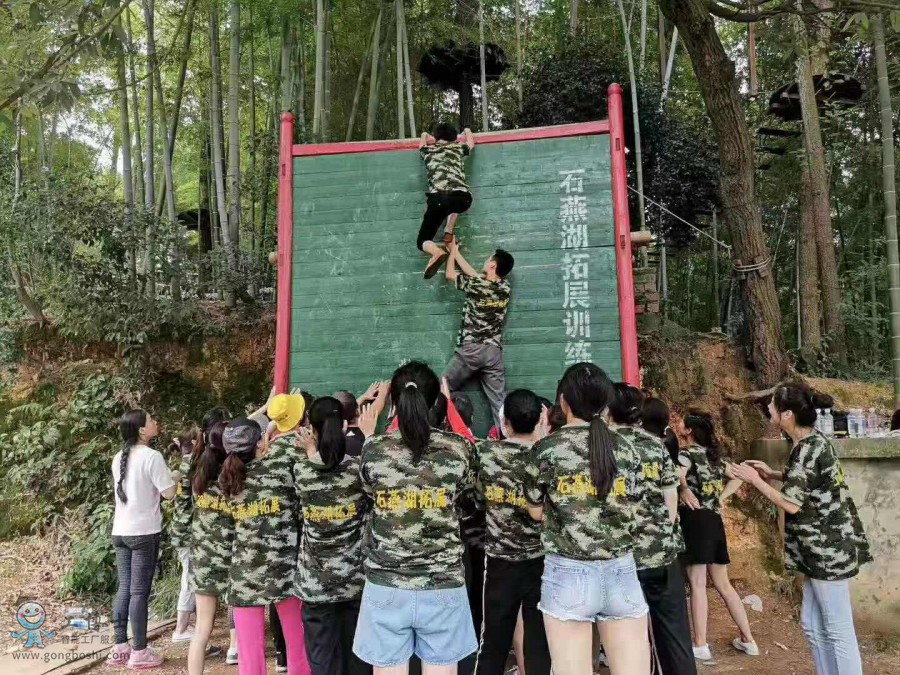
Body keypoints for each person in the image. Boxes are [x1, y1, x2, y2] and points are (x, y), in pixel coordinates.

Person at [731, 383, 872, 675]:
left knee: (837, 629)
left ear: (787, 414)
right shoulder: (810, 442)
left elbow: (791, 504)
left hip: (827, 551)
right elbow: (806, 480)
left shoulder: (809, 447)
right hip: (815, 550)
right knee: (812, 625)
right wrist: (772, 473)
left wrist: (754, 480)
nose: (768, 407)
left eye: (772, 404)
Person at [524, 363, 651, 675]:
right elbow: (636, 507)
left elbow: (535, 511)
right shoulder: (628, 449)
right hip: (621, 570)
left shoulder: (545, 449)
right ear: (606, 404)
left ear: (563, 401)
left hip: (568, 575)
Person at [354, 361, 479, 673]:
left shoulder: (374, 450)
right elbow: (468, 497)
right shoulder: (459, 449)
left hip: (387, 584)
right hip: (442, 585)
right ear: (436, 401)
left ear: (395, 403)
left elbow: (369, 494)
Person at [609, 386, 696, 675]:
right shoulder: (655, 445)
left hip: (622, 559)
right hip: (661, 555)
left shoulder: (603, 447)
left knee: (630, 639)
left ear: (608, 411)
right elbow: (671, 498)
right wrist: (660, 535)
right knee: (673, 635)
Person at [223, 405, 312, 675]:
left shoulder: (226, 479)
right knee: (298, 649)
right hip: (285, 571)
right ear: (262, 443)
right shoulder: (281, 467)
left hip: (244, 574)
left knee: (250, 658)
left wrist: (265, 430)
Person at [474, 389, 551, 675]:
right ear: (541, 420)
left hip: (500, 562)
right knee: (538, 640)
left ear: (505, 422)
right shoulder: (547, 456)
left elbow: (478, 499)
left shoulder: (485, 454)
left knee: (493, 641)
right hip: (540, 560)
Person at [293, 397, 372, 675]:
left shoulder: (301, 471)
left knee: (322, 661)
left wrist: (311, 450)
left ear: (312, 431)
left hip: (316, 585)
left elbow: (320, 468)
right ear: (345, 427)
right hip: (354, 580)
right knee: (358, 658)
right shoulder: (358, 471)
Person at [675, 411, 758, 662]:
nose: (678, 423)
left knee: (697, 583)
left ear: (689, 430)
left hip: (695, 520)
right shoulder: (714, 457)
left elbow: (676, 474)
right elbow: (739, 477)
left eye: (682, 421)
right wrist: (720, 497)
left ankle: (700, 644)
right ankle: (748, 639)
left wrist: (684, 489)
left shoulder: (686, 454)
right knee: (724, 584)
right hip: (714, 521)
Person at [107, 410, 177, 669]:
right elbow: (169, 493)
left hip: (120, 531)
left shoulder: (119, 457)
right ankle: (139, 651)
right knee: (139, 593)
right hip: (143, 533)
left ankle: (120, 647)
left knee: (124, 588)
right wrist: (176, 478)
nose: (156, 422)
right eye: (151, 420)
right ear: (141, 430)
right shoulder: (152, 456)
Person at [444, 241, 515, 429]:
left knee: (443, 387)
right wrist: (456, 252)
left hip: (471, 350)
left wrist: (452, 254)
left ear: (492, 265)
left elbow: (450, 274)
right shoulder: (505, 288)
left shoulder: (477, 285)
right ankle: (506, 437)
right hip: (493, 353)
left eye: (488, 259)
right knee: (499, 403)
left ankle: (439, 430)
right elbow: (476, 278)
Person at [188, 421, 233, 675]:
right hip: (230, 560)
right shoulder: (235, 480)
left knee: (202, 629)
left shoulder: (200, 479)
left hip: (203, 560)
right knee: (243, 628)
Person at [418, 123, 476, 278]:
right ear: (454, 138)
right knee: (453, 204)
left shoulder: (428, 150)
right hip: (463, 198)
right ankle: (448, 232)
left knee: (423, 240)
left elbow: (421, 145)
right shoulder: (458, 148)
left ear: (436, 137)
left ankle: (436, 252)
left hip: (438, 199)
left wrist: (424, 135)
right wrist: (467, 130)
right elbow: (471, 144)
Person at [169, 429, 198, 645]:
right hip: (188, 532)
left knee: (190, 575)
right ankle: (181, 628)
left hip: (180, 529)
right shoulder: (190, 468)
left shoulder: (181, 467)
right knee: (189, 577)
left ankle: (187, 624)